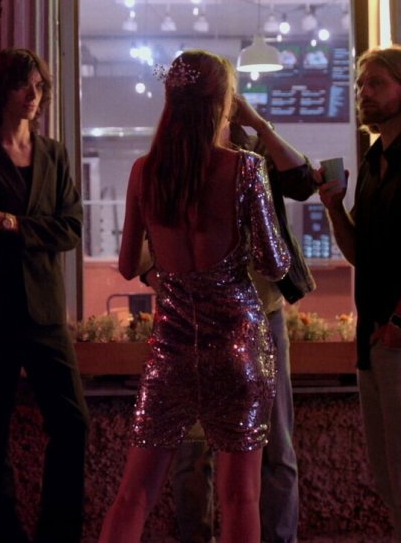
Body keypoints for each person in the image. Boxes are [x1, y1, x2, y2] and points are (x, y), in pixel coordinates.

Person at [99, 50, 291, 543]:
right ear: (223, 102)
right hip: (238, 347)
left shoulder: (145, 171)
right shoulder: (244, 169)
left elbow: (128, 265)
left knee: (133, 495)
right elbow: (276, 264)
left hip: (172, 349)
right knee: (240, 498)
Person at [0, 48, 89, 543]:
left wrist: (10, 223)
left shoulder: (53, 154)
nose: (33, 94)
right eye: (23, 85)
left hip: (45, 312)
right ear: (0, 90)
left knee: (73, 423)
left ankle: (58, 536)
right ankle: (6, 536)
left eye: (40, 86)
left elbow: (70, 228)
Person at [169, 95, 317, 543]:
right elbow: (143, 249)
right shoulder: (174, 160)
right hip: (197, 320)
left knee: (275, 445)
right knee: (194, 449)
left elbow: (304, 182)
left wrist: (259, 123)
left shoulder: (255, 156)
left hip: (262, 316)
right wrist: (166, 280)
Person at [318, 44, 401, 540]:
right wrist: (334, 207)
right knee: (388, 480)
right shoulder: (371, 164)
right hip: (372, 343)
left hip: (395, 337)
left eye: (377, 83)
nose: (363, 94)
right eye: (359, 85)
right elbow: (360, 255)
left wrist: (398, 323)